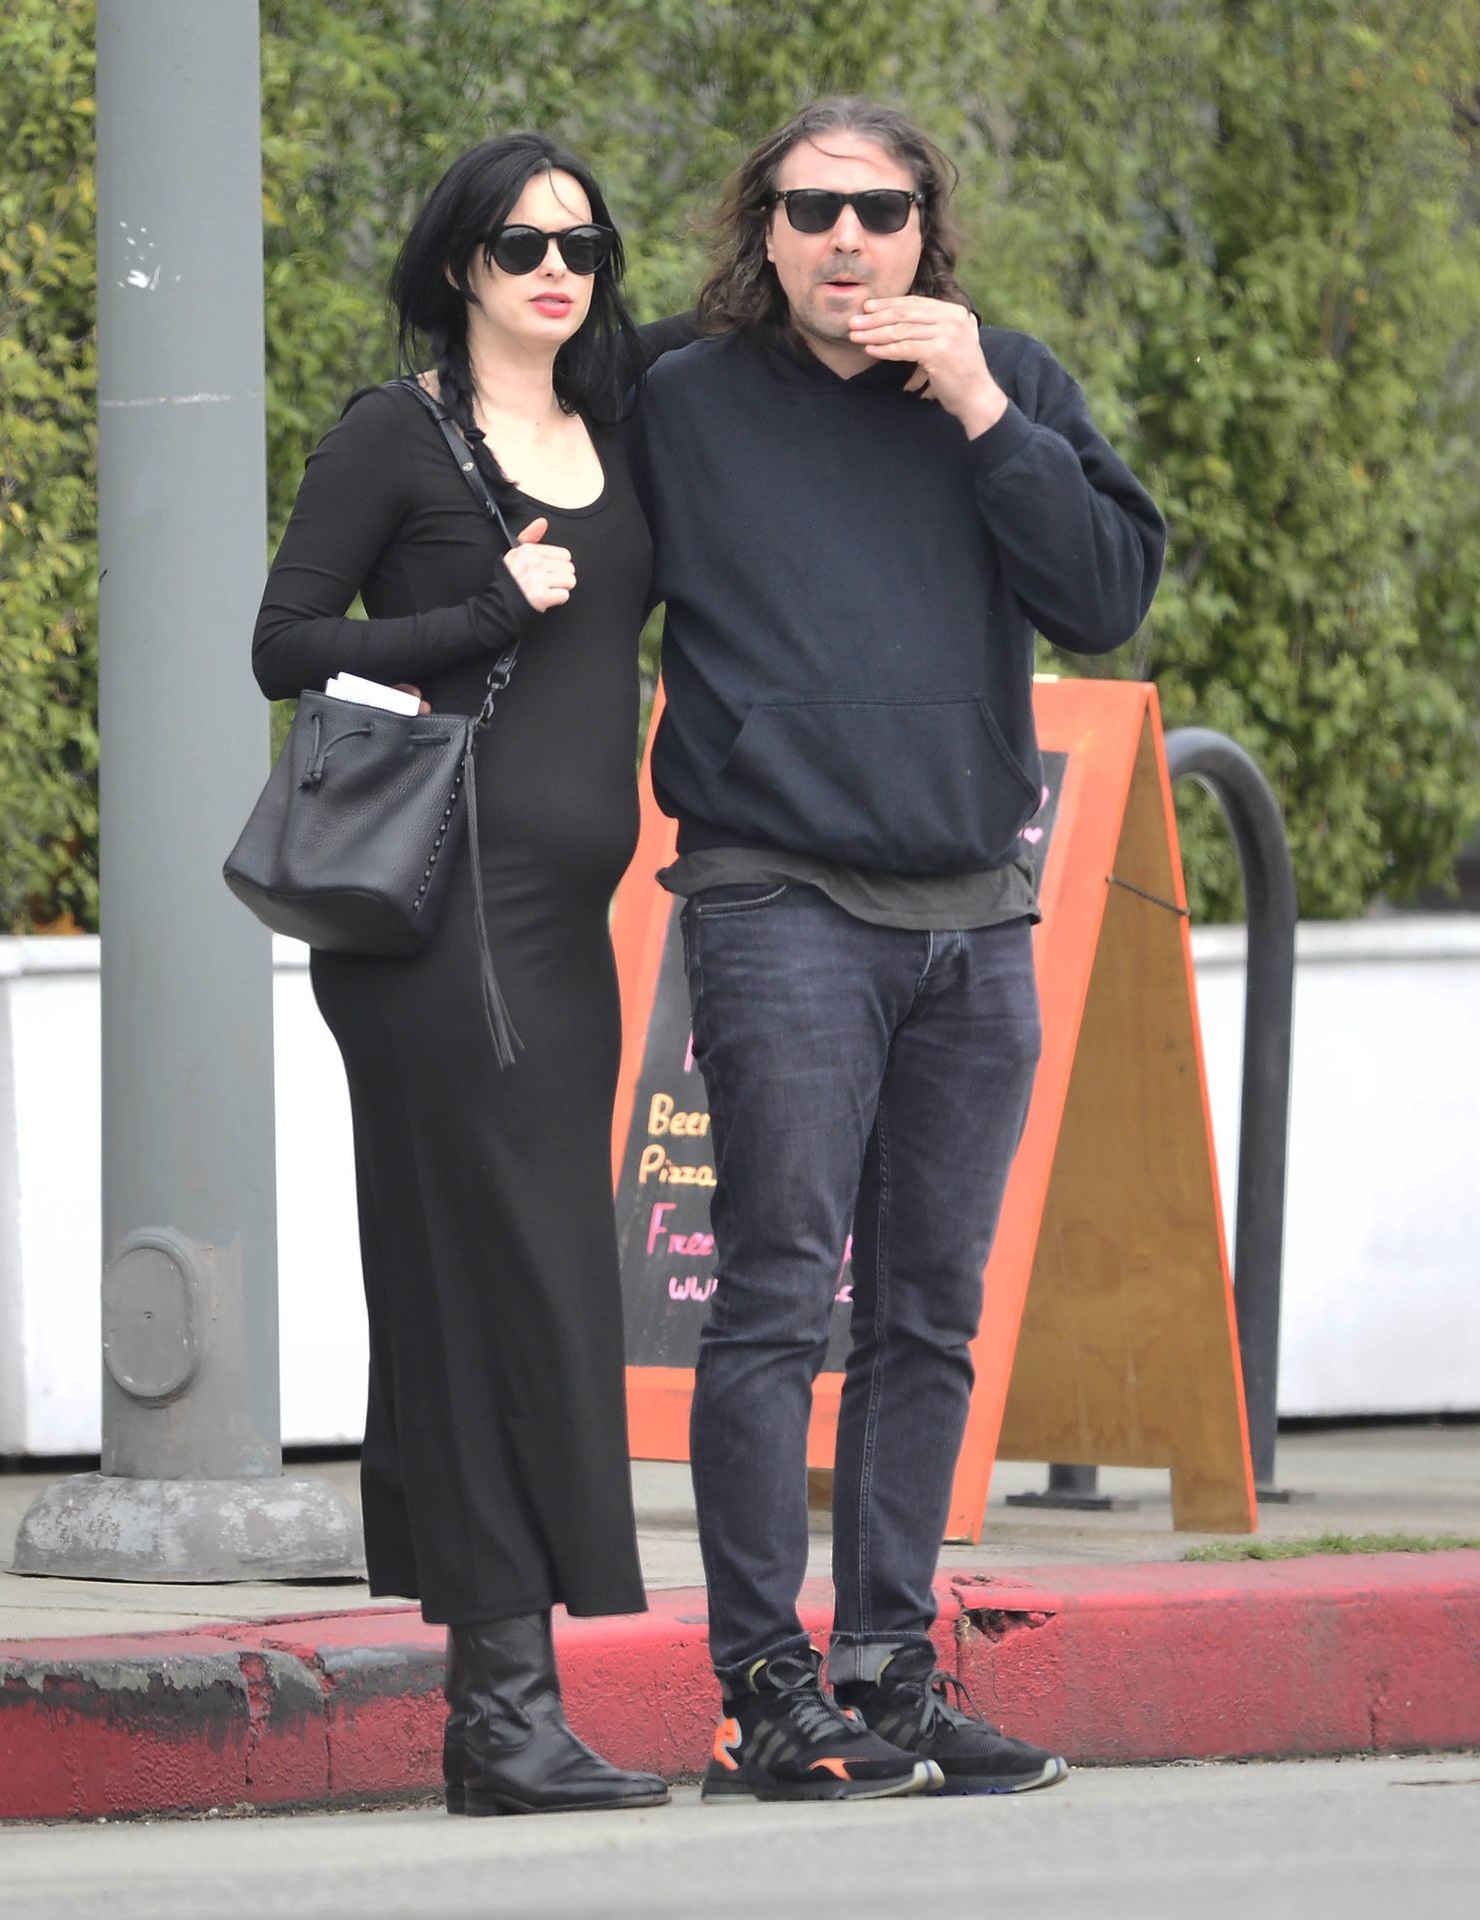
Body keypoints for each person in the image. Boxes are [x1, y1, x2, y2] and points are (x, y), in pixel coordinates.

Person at [628, 97, 1166, 1804]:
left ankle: (885, 1669)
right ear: (764, 231)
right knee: (774, 1299)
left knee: (928, 1315)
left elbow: (1103, 599)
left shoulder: (1007, 386)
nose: (844, 240)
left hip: (971, 911)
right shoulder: (681, 398)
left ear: (927, 227)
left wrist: (985, 408)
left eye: (877, 210)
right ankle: (762, 1688)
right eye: (809, 211)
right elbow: (539, 498)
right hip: (775, 895)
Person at [251, 133, 691, 1818]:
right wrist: (482, 610)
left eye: (582, 242)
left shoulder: (618, 421)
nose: (556, 270)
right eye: (520, 245)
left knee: (516, 1282)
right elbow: (287, 644)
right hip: (445, 932)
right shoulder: (396, 434)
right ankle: (505, 1712)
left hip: (561, 932)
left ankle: (502, 1718)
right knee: (501, 1287)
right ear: (459, 265)